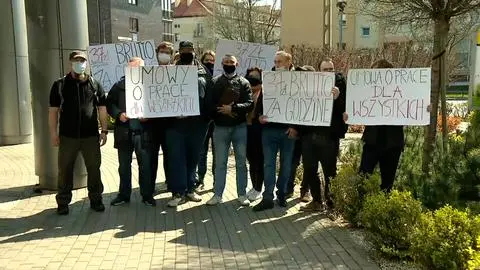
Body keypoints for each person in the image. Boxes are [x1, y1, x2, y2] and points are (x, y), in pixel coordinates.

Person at [49, 51, 108, 215]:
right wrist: (54, 133)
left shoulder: (94, 84)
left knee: (94, 169)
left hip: (90, 137)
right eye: (76, 60)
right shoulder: (59, 85)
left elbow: (102, 109)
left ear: (86, 63)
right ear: (70, 63)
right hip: (68, 137)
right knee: (64, 170)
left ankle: (96, 200)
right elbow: (53, 112)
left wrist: (104, 130)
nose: (79, 63)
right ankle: (62, 202)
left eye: (82, 60)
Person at [252, 51, 301, 211]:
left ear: (288, 62)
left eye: (280, 61)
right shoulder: (269, 79)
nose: (276, 64)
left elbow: (301, 106)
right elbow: (260, 102)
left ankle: (281, 194)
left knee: (286, 165)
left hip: (288, 131)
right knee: (268, 165)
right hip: (269, 131)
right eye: (275, 61)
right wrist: (259, 116)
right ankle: (267, 198)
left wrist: (295, 127)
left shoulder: (297, 80)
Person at [106, 57, 156, 207]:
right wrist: (118, 114)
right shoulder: (119, 85)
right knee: (124, 166)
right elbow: (109, 103)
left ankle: (147, 195)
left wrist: (149, 117)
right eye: (131, 68)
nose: (134, 71)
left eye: (137, 68)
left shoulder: (150, 85)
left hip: (143, 133)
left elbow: (158, 106)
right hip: (124, 133)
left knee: (145, 166)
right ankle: (123, 195)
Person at [299, 59, 347, 212]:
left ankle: (331, 203)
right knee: (310, 169)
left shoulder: (341, 85)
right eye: (325, 69)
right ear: (318, 71)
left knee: (330, 172)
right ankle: (317, 201)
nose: (328, 72)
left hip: (329, 137)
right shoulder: (309, 84)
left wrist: (338, 97)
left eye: (331, 69)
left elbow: (347, 111)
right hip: (309, 135)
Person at [166, 41, 210, 207]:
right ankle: (178, 192)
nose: (187, 53)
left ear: (194, 52)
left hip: (197, 124)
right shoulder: (170, 71)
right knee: (177, 159)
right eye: (183, 50)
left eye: (189, 50)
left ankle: (190, 189)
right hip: (175, 125)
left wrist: (207, 117)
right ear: (179, 52)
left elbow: (209, 94)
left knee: (193, 158)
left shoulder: (203, 71)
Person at [206, 54, 254, 206]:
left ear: (237, 64)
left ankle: (241, 194)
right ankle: (218, 195)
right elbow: (208, 105)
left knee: (241, 162)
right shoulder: (214, 82)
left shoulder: (244, 82)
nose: (229, 64)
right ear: (222, 63)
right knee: (220, 163)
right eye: (226, 62)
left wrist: (233, 108)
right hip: (220, 128)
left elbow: (249, 104)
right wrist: (221, 110)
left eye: (231, 62)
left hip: (239, 128)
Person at [353, 59, 406, 192]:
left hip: (393, 143)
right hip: (372, 142)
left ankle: (383, 209)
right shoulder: (368, 91)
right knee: (363, 178)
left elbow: (413, 109)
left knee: (388, 183)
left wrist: (425, 109)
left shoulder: (401, 92)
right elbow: (357, 108)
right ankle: (360, 207)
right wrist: (350, 115)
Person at [286, 65, 316, 203]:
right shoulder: (294, 90)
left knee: (309, 164)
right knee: (292, 163)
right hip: (295, 133)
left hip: (310, 134)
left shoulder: (317, 92)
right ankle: (288, 188)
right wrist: (292, 127)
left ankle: (305, 190)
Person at [151, 41, 175, 193]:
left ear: (172, 56)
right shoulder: (149, 72)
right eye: (162, 51)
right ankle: (149, 185)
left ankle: (171, 182)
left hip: (171, 124)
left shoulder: (178, 73)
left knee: (171, 156)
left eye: (167, 52)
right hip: (152, 124)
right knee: (152, 156)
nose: (164, 55)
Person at [196, 50, 216, 190]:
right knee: (202, 152)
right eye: (207, 60)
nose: (209, 62)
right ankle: (200, 179)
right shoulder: (198, 75)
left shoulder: (221, 76)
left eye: (212, 60)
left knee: (218, 152)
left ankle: (217, 181)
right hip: (202, 120)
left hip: (217, 121)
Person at [245, 67, 264, 202]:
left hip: (260, 130)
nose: (253, 78)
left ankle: (259, 188)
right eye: (250, 76)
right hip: (246, 129)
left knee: (260, 160)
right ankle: (253, 185)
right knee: (251, 160)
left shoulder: (265, 92)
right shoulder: (244, 91)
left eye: (256, 76)